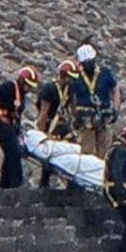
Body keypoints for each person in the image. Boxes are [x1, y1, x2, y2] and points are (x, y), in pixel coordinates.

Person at [0, 66, 38, 189]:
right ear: (21, 80)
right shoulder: (9, 86)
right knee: (14, 151)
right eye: (27, 85)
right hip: (0, 122)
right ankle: (16, 183)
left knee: (10, 154)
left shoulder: (22, 94)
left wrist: (18, 131)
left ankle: (4, 186)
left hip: (11, 126)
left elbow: (17, 115)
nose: (28, 89)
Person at [70, 44, 121, 158]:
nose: (89, 65)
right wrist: (74, 115)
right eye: (86, 63)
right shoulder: (77, 76)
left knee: (104, 152)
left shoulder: (105, 73)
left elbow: (115, 88)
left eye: (90, 62)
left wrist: (116, 108)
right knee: (86, 152)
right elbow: (71, 97)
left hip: (104, 117)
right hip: (86, 119)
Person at [35, 59, 79, 188]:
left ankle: (72, 182)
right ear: (63, 76)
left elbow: (72, 107)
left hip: (61, 124)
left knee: (74, 148)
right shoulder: (49, 89)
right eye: (70, 78)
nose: (72, 81)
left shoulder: (69, 88)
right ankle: (44, 183)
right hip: (49, 125)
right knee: (50, 153)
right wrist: (42, 134)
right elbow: (43, 114)